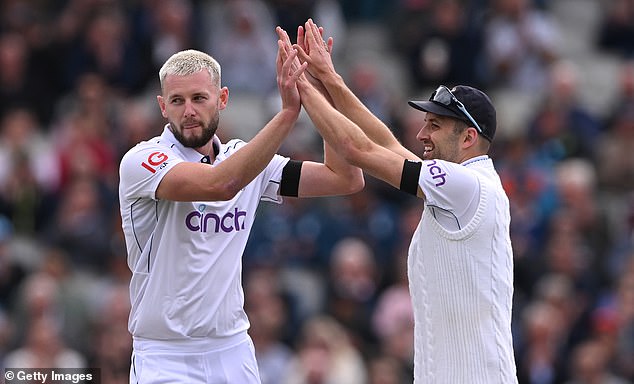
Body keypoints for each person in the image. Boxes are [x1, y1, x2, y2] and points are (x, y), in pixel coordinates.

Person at [277, 20, 518, 383]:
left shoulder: (466, 184)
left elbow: (357, 149)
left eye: (435, 126)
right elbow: (386, 145)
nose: (421, 133)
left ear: (468, 138)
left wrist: (305, 88)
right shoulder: (459, 184)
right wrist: (331, 80)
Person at [118, 43, 364, 382]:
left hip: (232, 349)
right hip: (166, 354)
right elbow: (221, 184)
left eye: (199, 98)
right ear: (163, 106)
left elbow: (345, 178)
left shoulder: (244, 158)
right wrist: (288, 114)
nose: (188, 110)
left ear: (222, 98)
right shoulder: (143, 161)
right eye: (177, 101)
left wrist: (320, 88)